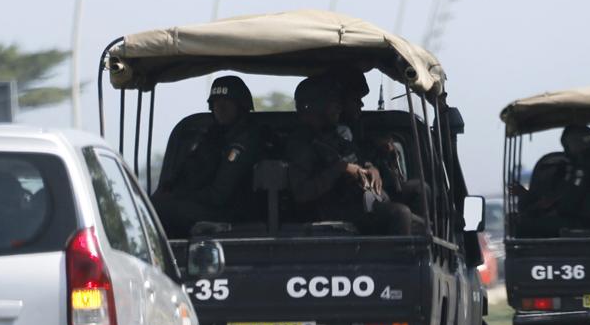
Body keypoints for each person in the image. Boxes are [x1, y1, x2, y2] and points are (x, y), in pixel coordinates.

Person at [287, 74, 416, 235]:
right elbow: (302, 193)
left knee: (418, 191)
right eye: (333, 102)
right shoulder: (301, 144)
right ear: (313, 106)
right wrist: (340, 169)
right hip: (328, 210)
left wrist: (371, 168)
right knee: (400, 214)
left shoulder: (333, 135)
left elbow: (357, 157)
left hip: (355, 201)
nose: (339, 108)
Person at [152, 75, 263, 237]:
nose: (221, 108)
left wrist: (178, 196)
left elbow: (219, 195)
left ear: (240, 105)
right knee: (153, 206)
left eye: (227, 102)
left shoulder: (245, 141)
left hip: (234, 213)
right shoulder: (213, 137)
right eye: (216, 102)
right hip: (213, 206)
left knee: (159, 209)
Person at [509, 125, 590, 237]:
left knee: (522, 225)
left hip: (583, 223)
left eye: (567, 146)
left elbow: (570, 202)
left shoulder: (584, 170)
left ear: (576, 144)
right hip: (584, 219)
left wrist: (549, 210)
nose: (566, 151)